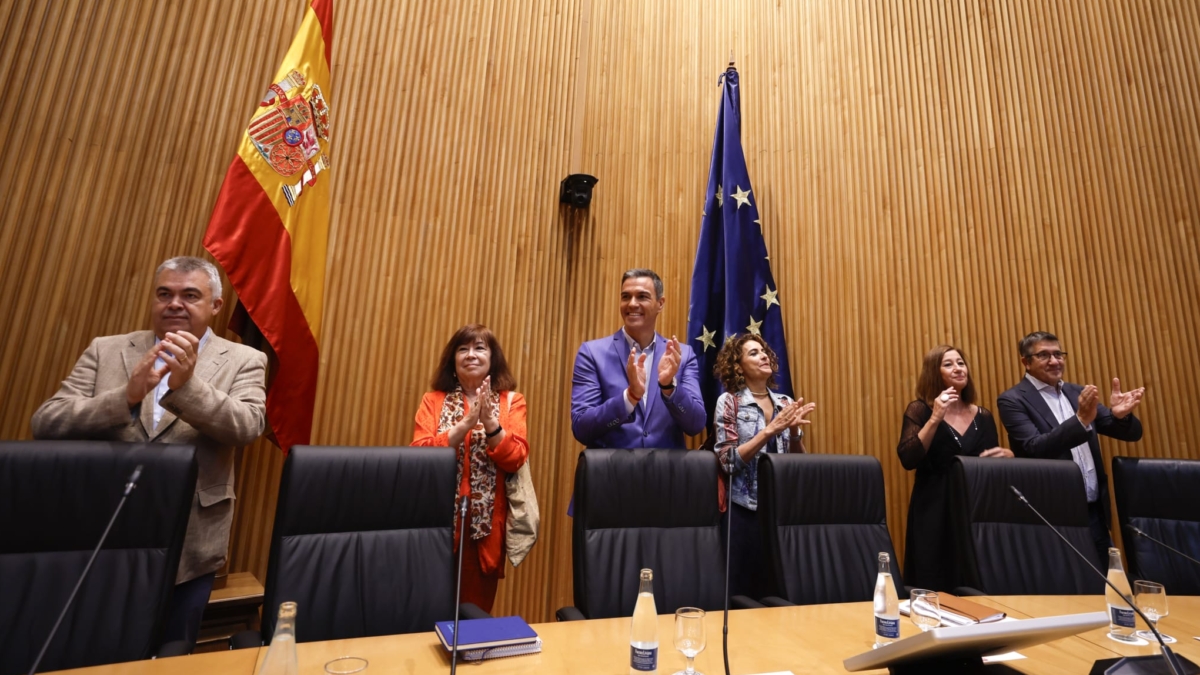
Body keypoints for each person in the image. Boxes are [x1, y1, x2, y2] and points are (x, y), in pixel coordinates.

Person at [30, 256, 268, 649]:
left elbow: (246, 427)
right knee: (92, 648)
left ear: (215, 306)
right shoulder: (106, 350)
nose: (175, 303)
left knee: (173, 652)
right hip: (101, 535)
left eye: (190, 295)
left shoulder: (244, 359)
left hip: (191, 546)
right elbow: (46, 422)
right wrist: (125, 396)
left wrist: (187, 388)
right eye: (165, 294)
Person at [997, 331, 1144, 566]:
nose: (1054, 361)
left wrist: (1121, 416)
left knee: (1110, 584)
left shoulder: (1076, 392)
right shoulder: (1013, 399)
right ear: (1026, 362)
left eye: (1058, 354)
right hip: (1052, 512)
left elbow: (1132, 434)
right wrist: (1081, 421)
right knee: (1068, 589)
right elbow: (1034, 447)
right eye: (1044, 355)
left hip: (1094, 511)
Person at [411, 324, 528, 612]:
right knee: (429, 612)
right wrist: (465, 424)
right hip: (436, 523)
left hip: (484, 531)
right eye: (463, 349)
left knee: (473, 615)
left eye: (479, 348)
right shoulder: (433, 401)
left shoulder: (511, 401)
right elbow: (419, 454)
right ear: (453, 361)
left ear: (492, 359)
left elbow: (516, 457)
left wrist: (490, 423)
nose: (471, 355)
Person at [896, 344, 1012, 591]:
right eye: (948, 364)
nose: (958, 368)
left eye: (961, 362)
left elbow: (990, 465)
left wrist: (1008, 456)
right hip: (934, 508)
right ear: (933, 373)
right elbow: (908, 457)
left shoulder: (984, 416)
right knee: (934, 583)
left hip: (975, 509)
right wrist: (936, 417)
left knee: (975, 581)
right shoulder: (920, 409)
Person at [711, 334, 815, 599]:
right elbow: (728, 461)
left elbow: (798, 467)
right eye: (753, 353)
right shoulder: (729, 402)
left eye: (764, 351)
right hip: (741, 511)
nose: (764, 355)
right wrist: (769, 431)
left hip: (779, 511)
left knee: (777, 590)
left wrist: (792, 433)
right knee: (739, 592)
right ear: (738, 366)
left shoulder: (785, 403)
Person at [570, 268, 706, 449]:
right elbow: (582, 428)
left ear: (660, 303)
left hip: (666, 474)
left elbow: (695, 424)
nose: (632, 304)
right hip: (611, 473)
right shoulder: (592, 353)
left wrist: (669, 387)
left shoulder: (682, 355)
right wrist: (629, 397)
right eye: (626, 297)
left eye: (642, 296)